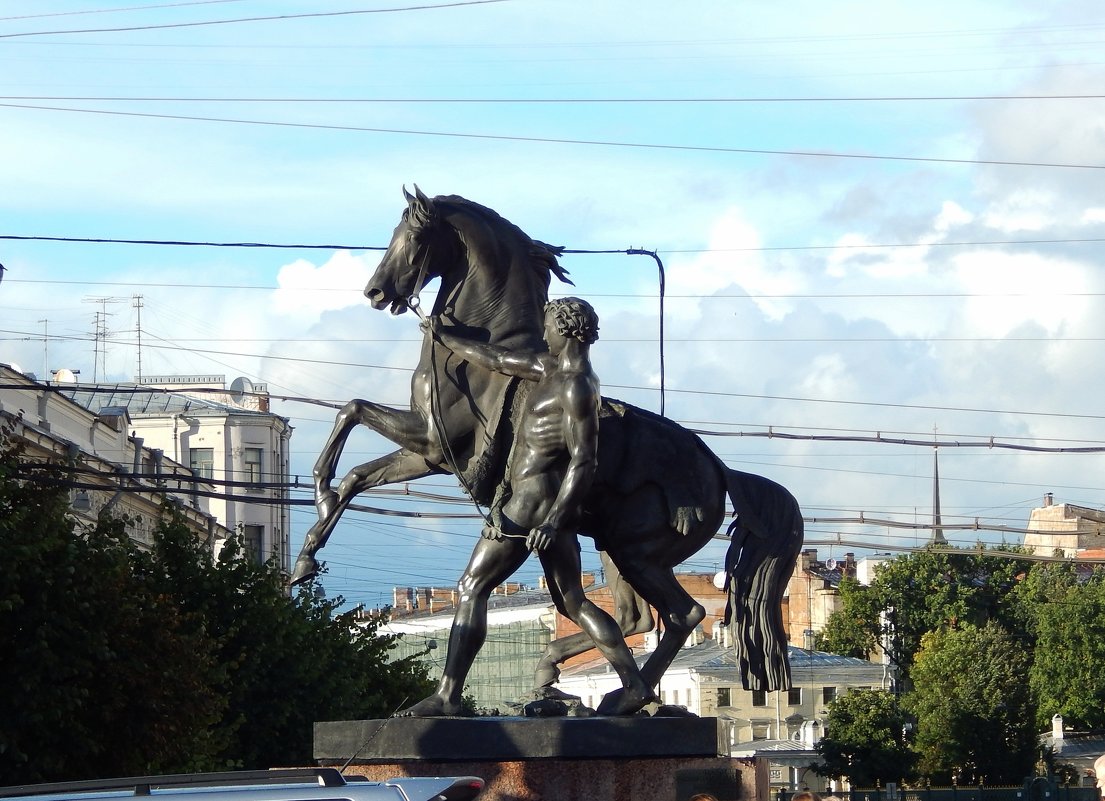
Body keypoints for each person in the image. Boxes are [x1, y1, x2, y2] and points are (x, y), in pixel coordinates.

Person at [399, 297, 654, 717]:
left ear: (566, 329)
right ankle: (636, 684)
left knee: (471, 588)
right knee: (573, 602)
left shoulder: (577, 386)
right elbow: (498, 357)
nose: (544, 333)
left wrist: (554, 521)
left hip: (531, 508)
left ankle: (447, 697)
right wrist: (445, 336)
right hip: (536, 505)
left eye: (549, 324)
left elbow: (584, 460)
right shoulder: (550, 370)